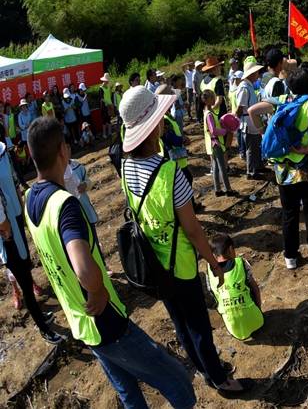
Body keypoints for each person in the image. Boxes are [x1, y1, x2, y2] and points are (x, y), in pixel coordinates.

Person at [24, 116, 198, 407]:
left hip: (80, 322)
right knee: (178, 381)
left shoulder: (31, 198)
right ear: (63, 152)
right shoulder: (64, 206)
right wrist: (97, 289)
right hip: (105, 321)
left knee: (128, 391)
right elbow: (83, 268)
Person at [118, 87, 247, 395]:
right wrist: (213, 263)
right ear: (153, 126)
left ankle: (202, 368)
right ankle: (220, 379)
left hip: (154, 264)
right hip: (181, 265)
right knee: (200, 326)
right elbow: (192, 229)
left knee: (180, 322)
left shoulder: (125, 167)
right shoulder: (169, 173)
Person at [248, 66, 308, 270]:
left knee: (289, 213)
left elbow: (252, 111)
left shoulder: (284, 100)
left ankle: (290, 257)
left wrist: (262, 132)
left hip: (283, 170)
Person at [0, 131, 62, 342]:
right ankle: (43, 327)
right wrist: (4, 224)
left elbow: (14, 181)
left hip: (14, 217)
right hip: (5, 227)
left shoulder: (1, 150)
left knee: (26, 266)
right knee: (23, 277)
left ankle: (38, 313)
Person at [207, 234, 263, 341]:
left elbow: (214, 295)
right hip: (257, 322)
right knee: (249, 286)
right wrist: (258, 309)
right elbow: (255, 289)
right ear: (230, 249)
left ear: (213, 255)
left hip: (234, 330)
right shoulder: (240, 263)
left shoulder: (209, 270)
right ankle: (255, 315)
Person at [202, 89, 235, 197]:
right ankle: (228, 189)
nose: (215, 99)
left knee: (215, 167)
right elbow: (213, 130)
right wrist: (225, 131)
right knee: (222, 167)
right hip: (216, 144)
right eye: (213, 97)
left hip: (211, 144)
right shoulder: (209, 114)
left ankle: (218, 189)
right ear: (208, 100)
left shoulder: (207, 112)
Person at [229, 70, 245, 160]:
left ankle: (241, 151)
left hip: (234, 113)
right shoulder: (238, 89)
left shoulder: (232, 89)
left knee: (239, 133)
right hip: (238, 113)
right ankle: (242, 151)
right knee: (241, 134)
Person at [99, 73, 114, 139]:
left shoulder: (108, 87)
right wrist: (108, 103)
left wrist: (110, 104)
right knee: (104, 121)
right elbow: (101, 98)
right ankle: (104, 134)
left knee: (109, 119)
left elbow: (109, 95)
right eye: (107, 80)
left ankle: (110, 133)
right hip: (104, 106)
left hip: (109, 105)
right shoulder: (101, 88)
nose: (108, 81)